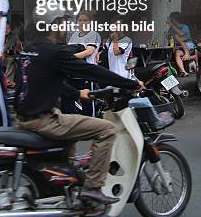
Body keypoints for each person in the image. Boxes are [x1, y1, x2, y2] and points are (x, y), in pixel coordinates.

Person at [15, 22, 143, 206]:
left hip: (24, 118)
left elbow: (48, 80)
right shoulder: (55, 53)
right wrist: (130, 83)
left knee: (71, 131)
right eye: (63, 26)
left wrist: (75, 94)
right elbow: (91, 71)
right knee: (107, 129)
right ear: (53, 29)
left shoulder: (30, 51)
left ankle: (63, 185)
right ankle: (92, 188)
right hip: (44, 120)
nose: (66, 31)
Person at [62, 10, 101, 116]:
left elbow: (89, 51)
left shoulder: (93, 34)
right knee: (69, 98)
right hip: (73, 73)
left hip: (87, 72)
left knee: (87, 100)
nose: (82, 23)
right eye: (80, 20)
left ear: (91, 21)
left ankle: (91, 123)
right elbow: (69, 49)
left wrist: (71, 58)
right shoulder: (74, 35)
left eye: (85, 20)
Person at [167, 11, 195, 77]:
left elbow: (181, 34)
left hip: (188, 45)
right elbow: (169, 36)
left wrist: (171, 25)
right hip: (179, 47)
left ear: (175, 19)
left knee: (178, 38)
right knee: (176, 53)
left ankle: (187, 54)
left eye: (171, 19)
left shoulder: (184, 26)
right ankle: (183, 71)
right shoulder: (171, 28)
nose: (170, 20)